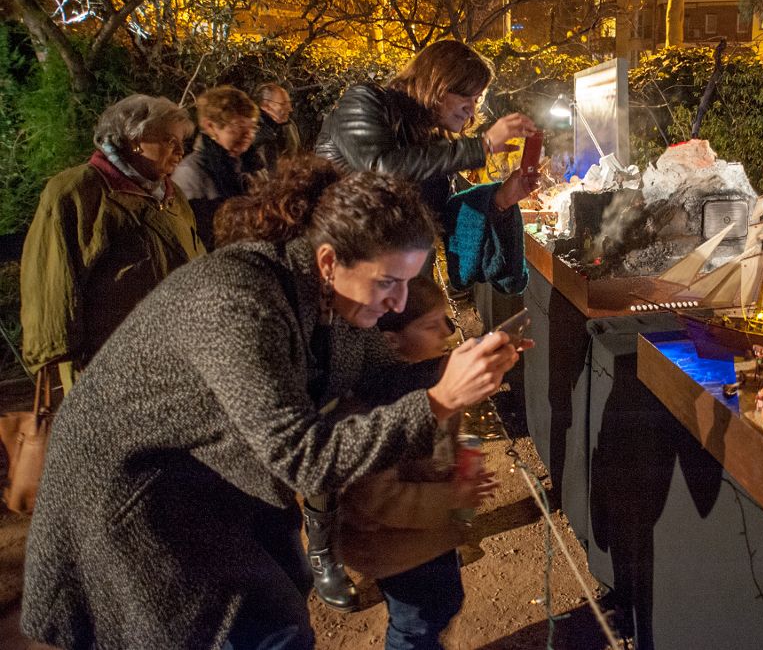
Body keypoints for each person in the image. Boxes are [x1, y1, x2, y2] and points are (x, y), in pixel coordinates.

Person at [20, 157, 520, 650]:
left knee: (285, 596)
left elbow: (381, 376)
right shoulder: (238, 299)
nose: (398, 303)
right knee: (257, 632)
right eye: (388, 282)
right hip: (136, 497)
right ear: (329, 260)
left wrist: (464, 365)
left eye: (408, 282)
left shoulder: (332, 298)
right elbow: (303, 457)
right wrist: (439, 399)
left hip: (225, 475)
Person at [340, 276, 495, 649]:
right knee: (416, 626)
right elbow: (378, 499)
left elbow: (435, 447)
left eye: (445, 319)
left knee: (441, 604)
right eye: (430, 325)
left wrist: (456, 469)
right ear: (391, 341)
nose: (447, 332)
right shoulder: (371, 409)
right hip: (395, 549)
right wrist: (453, 496)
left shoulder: (429, 381)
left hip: (428, 537)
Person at [315, 40, 538, 293]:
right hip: (349, 275)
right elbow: (380, 169)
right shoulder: (364, 101)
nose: (471, 109)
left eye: (477, 99)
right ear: (437, 85)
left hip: (401, 284)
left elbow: (440, 215)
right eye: (465, 95)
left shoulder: (431, 140)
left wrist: (500, 199)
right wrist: (482, 146)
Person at [19, 94, 204, 394]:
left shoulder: (172, 195)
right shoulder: (77, 192)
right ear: (135, 138)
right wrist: (57, 359)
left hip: (177, 360)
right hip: (110, 369)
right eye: (170, 140)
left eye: (182, 141)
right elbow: (50, 280)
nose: (181, 151)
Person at [172, 84, 259, 249]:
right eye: (239, 126)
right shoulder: (191, 173)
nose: (248, 135)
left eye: (252, 127)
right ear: (210, 126)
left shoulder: (252, 164)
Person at [243, 82, 301, 176]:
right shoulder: (250, 130)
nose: (290, 109)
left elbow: (298, 157)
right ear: (266, 106)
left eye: (289, 104)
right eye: (283, 104)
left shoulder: (290, 127)